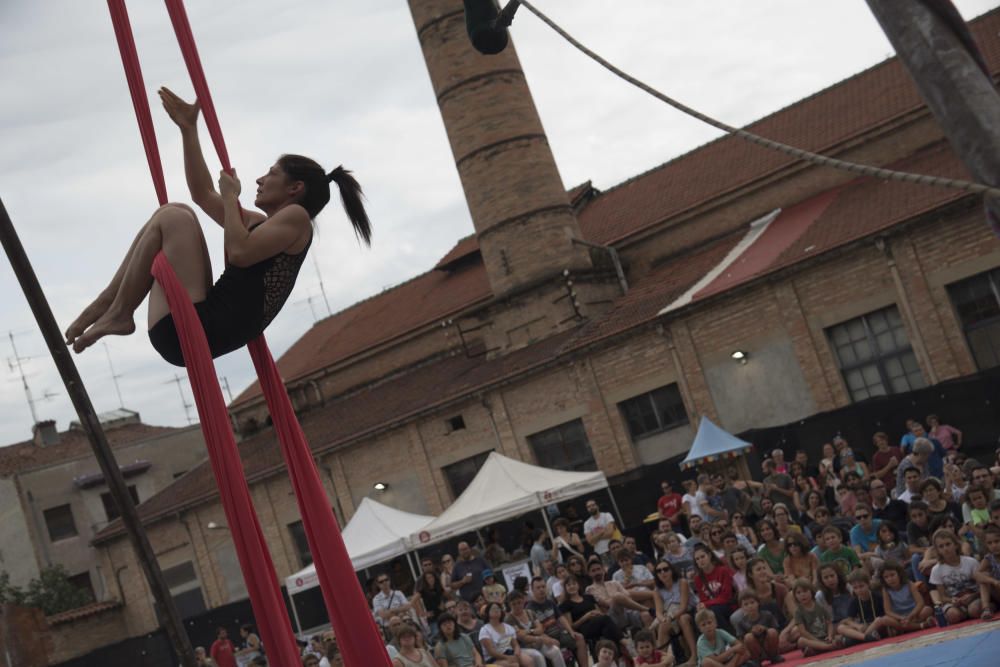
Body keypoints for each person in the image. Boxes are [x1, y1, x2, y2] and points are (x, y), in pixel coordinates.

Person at [65, 88, 370, 363]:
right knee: (175, 210)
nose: (260, 180)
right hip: (190, 328)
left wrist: (229, 198)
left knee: (174, 218)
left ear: (295, 189)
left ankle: (118, 310)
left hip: (197, 330)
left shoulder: (297, 219)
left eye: (272, 173)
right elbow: (201, 194)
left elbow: (238, 252)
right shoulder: (262, 226)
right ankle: (111, 303)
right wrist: (189, 130)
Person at [525, 576, 589, 667]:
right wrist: (549, 639)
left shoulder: (550, 602)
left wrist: (571, 631)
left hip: (560, 633)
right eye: (538, 588)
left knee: (579, 638)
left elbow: (561, 618)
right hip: (545, 638)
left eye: (543, 587)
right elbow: (534, 631)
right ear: (532, 590)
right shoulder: (529, 608)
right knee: (555, 648)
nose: (541, 590)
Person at [928, 528, 983, 624]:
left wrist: (972, 596)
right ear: (937, 550)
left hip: (974, 597)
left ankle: (983, 608)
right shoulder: (936, 570)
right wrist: (952, 600)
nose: (945, 548)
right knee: (953, 615)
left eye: (948, 544)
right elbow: (942, 596)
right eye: (941, 546)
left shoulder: (971, 562)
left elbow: (981, 587)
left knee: (975, 609)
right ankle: (964, 614)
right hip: (953, 602)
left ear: (956, 545)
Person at [504, 590, 567, 667]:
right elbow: (521, 637)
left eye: (519, 602)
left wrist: (529, 631)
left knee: (555, 650)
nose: (517, 606)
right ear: (509, 605)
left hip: (537, 642)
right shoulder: (509, 619)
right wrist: (540, 637)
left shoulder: (530, 612)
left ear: (523, 600)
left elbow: (540, 629)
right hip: (522, 647)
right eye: (514, 604)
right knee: (538, 656)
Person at [652, 560, 697, 662]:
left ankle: (694, 655)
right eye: (659, 571)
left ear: (671, 570)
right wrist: (664, 619)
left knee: (682, 619)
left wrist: (670, 618)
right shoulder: (657, 590)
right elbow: (658, 612)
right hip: (670, 614)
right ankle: (662, 660)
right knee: (662, 625)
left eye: (666, 569)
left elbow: (684, 607)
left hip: (690, 611)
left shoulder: (682, 582)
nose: (663, 572)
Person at [836, 570, 896, 645]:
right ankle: (866, 638)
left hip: (877, 626)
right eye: (855, 588)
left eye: (861, 586)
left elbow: (886, 615)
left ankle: (857, 639)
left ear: (868, 584)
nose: (859, 590)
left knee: (879, 620)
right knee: (840, 627)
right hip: (864, 626)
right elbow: (848, 620)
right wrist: (858, 626)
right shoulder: (855, 601)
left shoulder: (877, 596)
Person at [728, 590, 783, 665]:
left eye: (752, 602)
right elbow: (741, 641)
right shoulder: (741, 622)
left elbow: (776, 631)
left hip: (769, 645)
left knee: (772, 632)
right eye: (746, 604)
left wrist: (765, 629)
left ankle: (774, 656)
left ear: (758, 603)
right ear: (741, 607)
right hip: (754, 650)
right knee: (748, 637)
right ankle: (756, 660)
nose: (750, 606)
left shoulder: (767, 615)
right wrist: (752, 632)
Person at [691, 545, 737, 633]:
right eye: (697, 559)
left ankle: (730, 639)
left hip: (728, 605)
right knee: (697, 614)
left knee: (714, 610)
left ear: (709, 555)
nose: (701, 560)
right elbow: (703, 598)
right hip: (711, 606)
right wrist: (701, 606)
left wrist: (706, 604)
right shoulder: (698, 579)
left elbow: (726, 596)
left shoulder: (722, 571)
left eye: (702, 556)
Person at [879, 561, 933, 632]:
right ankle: (920, 625)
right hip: (899, 617)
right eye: (886, 577)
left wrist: (910, 616)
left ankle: (904, 628)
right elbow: (888, 611)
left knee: (927, 610)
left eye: (892, 575)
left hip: (914, 614)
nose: (890, 579)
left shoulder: (909, 584)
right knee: (885, 619)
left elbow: (920, 602)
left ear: (899, 574)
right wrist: (901, 618)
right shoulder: (886, 590)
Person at [792, 578, 837, 657]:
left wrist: (829, 636)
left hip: (825, 637)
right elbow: (802, 632)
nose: (802, 595)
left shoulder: (820, 606)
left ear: (811, 592)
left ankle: (821, 648)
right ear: (795, 596)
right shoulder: (798, 612)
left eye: (805, 591)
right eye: (798, 593)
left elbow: (829, 623)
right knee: (801, 641)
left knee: (839, 637)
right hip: (812, 640)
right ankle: (827, 647)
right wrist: (817, 641)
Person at [584, 499, 620, 566]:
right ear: (587, 509)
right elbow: (590, 542)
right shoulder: (587, 523)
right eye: (589, 507)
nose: (591, 507)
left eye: (593, 505)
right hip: (600, 553)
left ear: (597, 506)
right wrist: (602, 531)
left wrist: (595, 536)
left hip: (613, 549)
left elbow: (610, 533)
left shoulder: (607, 515)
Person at [975, 525, 1000, 619]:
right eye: (990, 543)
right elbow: (976, 575)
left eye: (997, 541)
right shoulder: (989, 558)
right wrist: (994, 581)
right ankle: (986, 608)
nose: (994, 545)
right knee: (983, 576)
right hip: (997, 592)